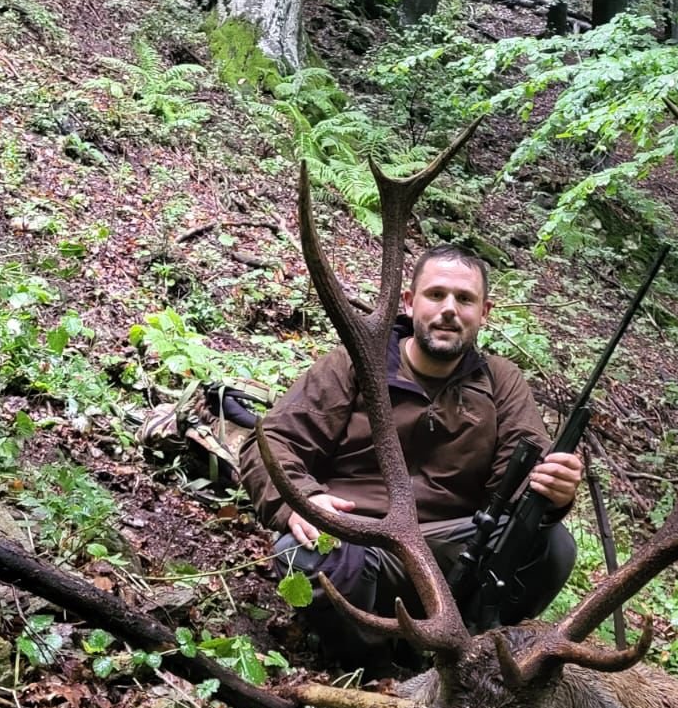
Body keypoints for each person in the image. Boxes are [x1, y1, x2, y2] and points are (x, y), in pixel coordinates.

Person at [239, 245, 583, 657]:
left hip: (450, 548)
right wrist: (305, 501)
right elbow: (271, 440)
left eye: (465, 299)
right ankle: (367, 662)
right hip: (360, 536)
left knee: (553, 546)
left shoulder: (501, 382)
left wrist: (552, 491)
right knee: (301, 555)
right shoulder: (356, 364)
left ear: (484, 312)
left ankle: (472, 651)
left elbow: (523, 479)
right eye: (436, 295)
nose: (449, 309)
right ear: (409, 302)